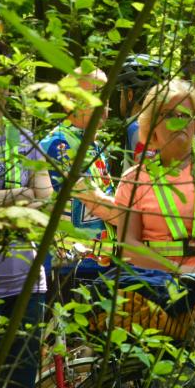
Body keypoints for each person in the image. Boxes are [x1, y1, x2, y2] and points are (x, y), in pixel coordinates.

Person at [0, 41, 53, 388]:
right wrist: (19, 195)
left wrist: (3, 200)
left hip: (26, 286)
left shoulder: (24, 139)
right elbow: (32, 194)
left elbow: (46, 198)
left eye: (3, 77)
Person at [114, 79, 195, 274]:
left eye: (185, 115)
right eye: (168, 115)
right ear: (151, 124)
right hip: (157, 284)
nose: (179, 122)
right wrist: (180, 271)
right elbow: (128, 245)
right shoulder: (133, 180)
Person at [40, 67, 120, 273]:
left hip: (96, 264)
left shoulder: (92, 146)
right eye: (93, 95)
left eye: (105, 96)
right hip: (69, 268)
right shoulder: (60, 145)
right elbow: (98, 204)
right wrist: (143, 218)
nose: (102, 104)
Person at [117, 54, 164, 170]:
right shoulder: (159, 124)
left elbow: (145, 177)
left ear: (129, 95)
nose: (120, 97)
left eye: (121, 91)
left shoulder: (138, 128)